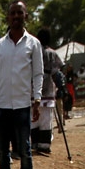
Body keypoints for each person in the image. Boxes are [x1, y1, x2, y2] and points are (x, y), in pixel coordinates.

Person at [0, 1, 42, 169]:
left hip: (23, 105)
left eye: (20, 13)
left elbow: (38, 74)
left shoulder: (33, 44)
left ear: (25, 16)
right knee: (1, 149)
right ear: (7, 17)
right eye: (12, 13)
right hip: (1, 105)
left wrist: (37, 99)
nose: (16, 16)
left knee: (24, 148)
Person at [31, 27, 63, 155]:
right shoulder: (52, 53)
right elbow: (57, 71)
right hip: (48, 89)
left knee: (33, 118)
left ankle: (34, 142)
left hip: (34, 88)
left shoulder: (33, 52)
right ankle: (44, 145)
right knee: (46, 119)